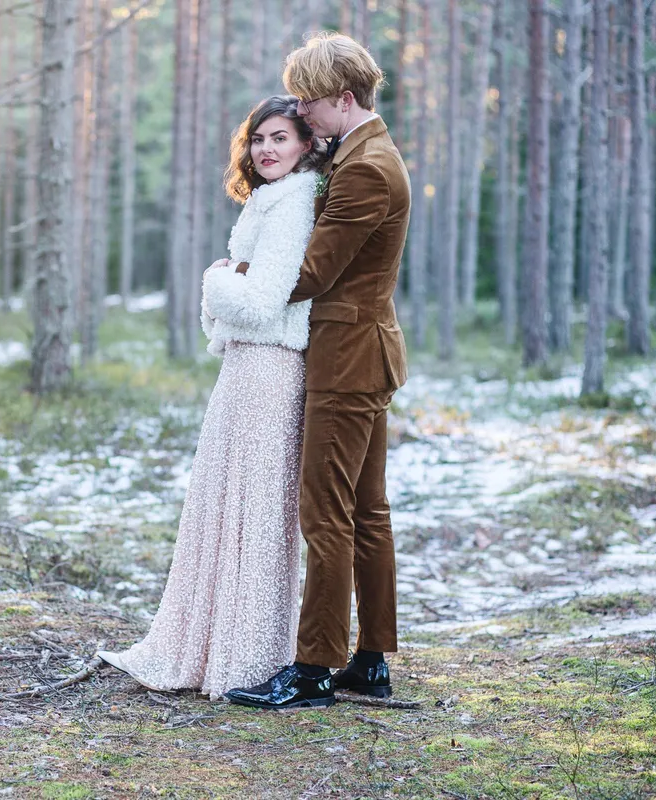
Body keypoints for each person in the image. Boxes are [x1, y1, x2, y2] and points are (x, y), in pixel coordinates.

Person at [97, 96, 327, 699]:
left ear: (306, 144)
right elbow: (237, 309)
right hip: (245, 366)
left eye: (280, 138)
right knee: (226, 504)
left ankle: (246, 657)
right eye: (258, 140)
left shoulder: (294, 203)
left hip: (269, 369)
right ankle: (213, 644)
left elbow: (259, 300)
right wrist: (233, 281)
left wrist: (218, 276)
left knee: (254, 507)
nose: (266, 150)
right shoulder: (268, 200)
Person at [224, 32, 411, 710]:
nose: (302, 115)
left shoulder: (365, 169)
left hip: (346, 356)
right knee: (365, 512)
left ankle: (312, 670)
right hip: (364, 351)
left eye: (308, 102)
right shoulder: (366, 153)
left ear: (342, 98)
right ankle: (370, 662)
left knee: (325, 514)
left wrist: (236, 276)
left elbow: (310, 274)